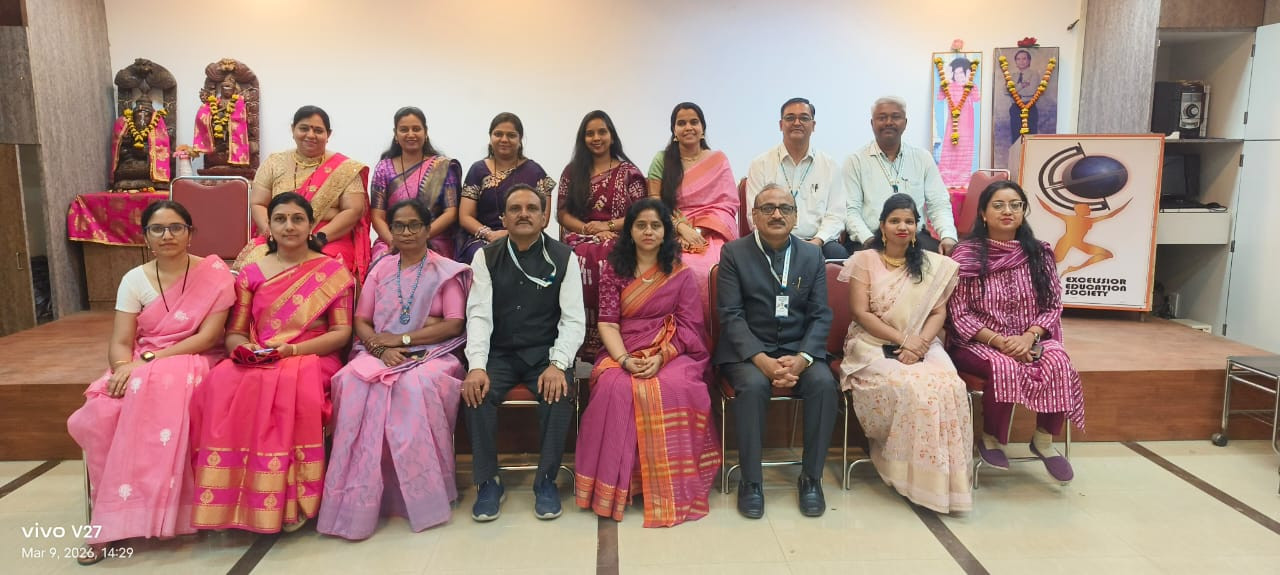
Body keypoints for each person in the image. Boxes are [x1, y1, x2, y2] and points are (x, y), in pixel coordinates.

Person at [67, 201, 234, 565]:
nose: (167, 235)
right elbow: (120, 341)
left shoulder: (215, 275)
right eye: (157, 229)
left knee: (161, 386)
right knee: (101, 413)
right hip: (141, 362)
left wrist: (147, 363)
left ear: (190, 233)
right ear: (146, 237)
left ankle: (164, 509)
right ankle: (112, 517)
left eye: (176, 227)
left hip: (194, 359)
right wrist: (122, 368)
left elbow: (207, 337)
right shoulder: (134, 279)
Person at [190, 192, 355, 533]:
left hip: (312, 356)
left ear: (311, 225)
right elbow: (235, 333)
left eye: (297, 219)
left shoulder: (332, 272)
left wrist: (292, 351)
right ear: (269, 225)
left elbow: (341, 333)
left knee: (294, 390)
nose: (288, 226)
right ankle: (231, 498)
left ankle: (290, 501)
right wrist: (245, 349)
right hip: (261, 356)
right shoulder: (251, 273)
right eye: (280, 219)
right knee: (221, 382)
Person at [319, 199, 472, 540]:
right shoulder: (381, 270)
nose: (406, 232)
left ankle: (421, 496)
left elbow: (453, 324)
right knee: (350, 381)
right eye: (399, 225)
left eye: (414, 225)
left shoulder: (446, 270)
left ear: (428, 229)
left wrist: (402, 339)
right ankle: (359, 499)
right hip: (380, 351)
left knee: (413, 387)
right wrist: (379, 348)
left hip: (432, 355)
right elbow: (361, 320)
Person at [574, 198, 720, 528]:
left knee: (676, 386)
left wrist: (661, 356)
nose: (648, 231)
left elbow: (689, 327)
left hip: (673, 350)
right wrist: (624, 359)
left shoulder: (680, 273)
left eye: (656, 225)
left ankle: (667, 487)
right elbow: (608, 323)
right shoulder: (614, 271)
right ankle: (620, 486)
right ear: (630, 230)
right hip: (623, 347)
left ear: (666, 231)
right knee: (613, 386)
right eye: (641, 225)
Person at [838, 193, 972, 514]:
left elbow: (938, 312)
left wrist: (920, 342)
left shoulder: (931, 264)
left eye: (909, 221)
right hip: (871, 343)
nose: (902, 226)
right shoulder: (864, 260)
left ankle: (944, 486)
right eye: (895, 220)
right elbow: (860, 312)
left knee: (951, 386)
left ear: (917, 227)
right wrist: (904, 340)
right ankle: (906, 476)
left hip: (924, 342)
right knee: (912, 387)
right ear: (882, 225)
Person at [714, 184, 839, 519]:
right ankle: (751, 482)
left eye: (785, 208)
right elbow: (730, 315)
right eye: (767, 208)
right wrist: (762, 360)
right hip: (748, 352)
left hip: (799, 349)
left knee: (824, 384)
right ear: (754, 216)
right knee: (754, 386)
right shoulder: (733, 253)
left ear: (796, 217)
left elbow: (820, 314)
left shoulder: (812, 256)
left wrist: (803, 358)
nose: (777, 214)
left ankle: (811, 478)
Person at [462, 184, 585, 522]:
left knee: (558, 393)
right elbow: (478, 314)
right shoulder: (486, 256)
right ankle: (488, 481)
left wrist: (558, 364)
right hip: (500, 353)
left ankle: (546, 481)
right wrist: (476, 366)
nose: (524, 214)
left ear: (545, 217)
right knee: (475, 393)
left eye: (532, 208)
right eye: (515, 209)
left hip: (545, 354)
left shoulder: (564, 257)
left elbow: (574, 319)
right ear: (503, 218)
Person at [948, 181, 1083, 483]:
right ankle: (991, 438)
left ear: (1023, 211)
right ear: (983, 213)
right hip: (978, 342)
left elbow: (1053, 305)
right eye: (998, 205)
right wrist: (999, 341)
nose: (1007, 211)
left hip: (1029, 338)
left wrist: (1028, 337)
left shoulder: (1039, 254)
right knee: (1003, 365)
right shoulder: (965, 255)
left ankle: (1044, 440)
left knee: (1058, 361)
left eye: (1015, 205)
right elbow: (959, 313)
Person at [234, 106, 371, 280]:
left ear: (328, 134)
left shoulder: (345, 169)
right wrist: (274, 233)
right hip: (279, 234)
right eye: (304, 128)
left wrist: (319, 238)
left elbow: (353, 210)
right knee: (254, 265)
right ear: (293, 130)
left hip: (328, 238)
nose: (311, 135)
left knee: (324, 271)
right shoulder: (274, 162)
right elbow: (259, 203)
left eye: (318, 130)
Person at [556, 110, 647, 359]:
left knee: (609, 254)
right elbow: (562, 214)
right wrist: (587, 229)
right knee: (578, 256)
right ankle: (579, 338)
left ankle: (613, 336)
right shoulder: (572, 172)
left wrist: (609, 227)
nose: (596, 138)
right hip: (580, 235)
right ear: (582, 138)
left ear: (612, 136)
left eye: (602, 132)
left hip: (621, 234)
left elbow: (641, 213)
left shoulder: (629, 172)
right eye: (590, 133)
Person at [647, 102, 739, 302]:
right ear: (674, 131)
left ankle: (715, 321)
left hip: (713, 231)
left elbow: (727, 205)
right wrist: (680, 228)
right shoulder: (662, 160)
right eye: (681, 123)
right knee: (677, 265)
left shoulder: (718, 160)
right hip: (670, 227)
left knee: (718, 266)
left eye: (694, 122)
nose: (688, 127)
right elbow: (655, 202)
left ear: (702, 128)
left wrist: (698, 231)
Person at [843, 97, 957, 255]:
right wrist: (869, 240)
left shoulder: (922, 158)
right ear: (872, 123)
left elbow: (938, 204)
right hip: (871, 238)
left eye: (895, 117)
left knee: (943, 259)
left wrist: (948, 236)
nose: (889, 122)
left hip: (914, 238)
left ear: (905, 123)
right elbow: (850, 211)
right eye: (882, 118)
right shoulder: (855, 161)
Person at [746, 97, 847, 260]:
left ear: (813, 125)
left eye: (804, 118)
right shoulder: (761, 164)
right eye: (790, 118)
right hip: (773, 239)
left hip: (818, 242)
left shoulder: (829, 165)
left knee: (838, 255)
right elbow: (755, 213)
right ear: (781, 125)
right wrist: (781, 241)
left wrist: (817, 241)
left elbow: (836, 214)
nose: (797, 123)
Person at [457, 112, 556, 264]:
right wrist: (490, 234)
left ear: (520, 139)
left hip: (527, 235)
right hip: (485, 238)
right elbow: (465, 216)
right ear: (490, 137)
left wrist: (512, 234)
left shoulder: (535, 171)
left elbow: (543, 218)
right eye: (498, 134)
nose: (504, 139)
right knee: (483, 255)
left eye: (511, 135)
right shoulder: (478, 170)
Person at [369, 107, 462, 261]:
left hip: (433, 239)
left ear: (425, 132)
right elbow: (377, 216)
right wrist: (395, 241)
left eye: (416, 129)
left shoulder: (442, 167)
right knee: (383, 265)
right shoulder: (383, 168)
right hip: (392, 240)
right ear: (396, 134)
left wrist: (421, 237)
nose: (411, 134)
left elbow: (451, 213)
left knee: (435, 268)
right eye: (404, 129)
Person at [935, 58, 981, 192]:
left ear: (968, 73)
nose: (959, 76)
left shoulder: (971, 87)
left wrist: (970, 83)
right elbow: (939, 97)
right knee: (950, 150)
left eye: (962, 73)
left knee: (965, 151)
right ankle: (947, 180)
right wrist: (946, 80)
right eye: (956, 73)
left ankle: (963, 180)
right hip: (953, 126)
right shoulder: (950, 86)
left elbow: (977, 98)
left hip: (968, 126)